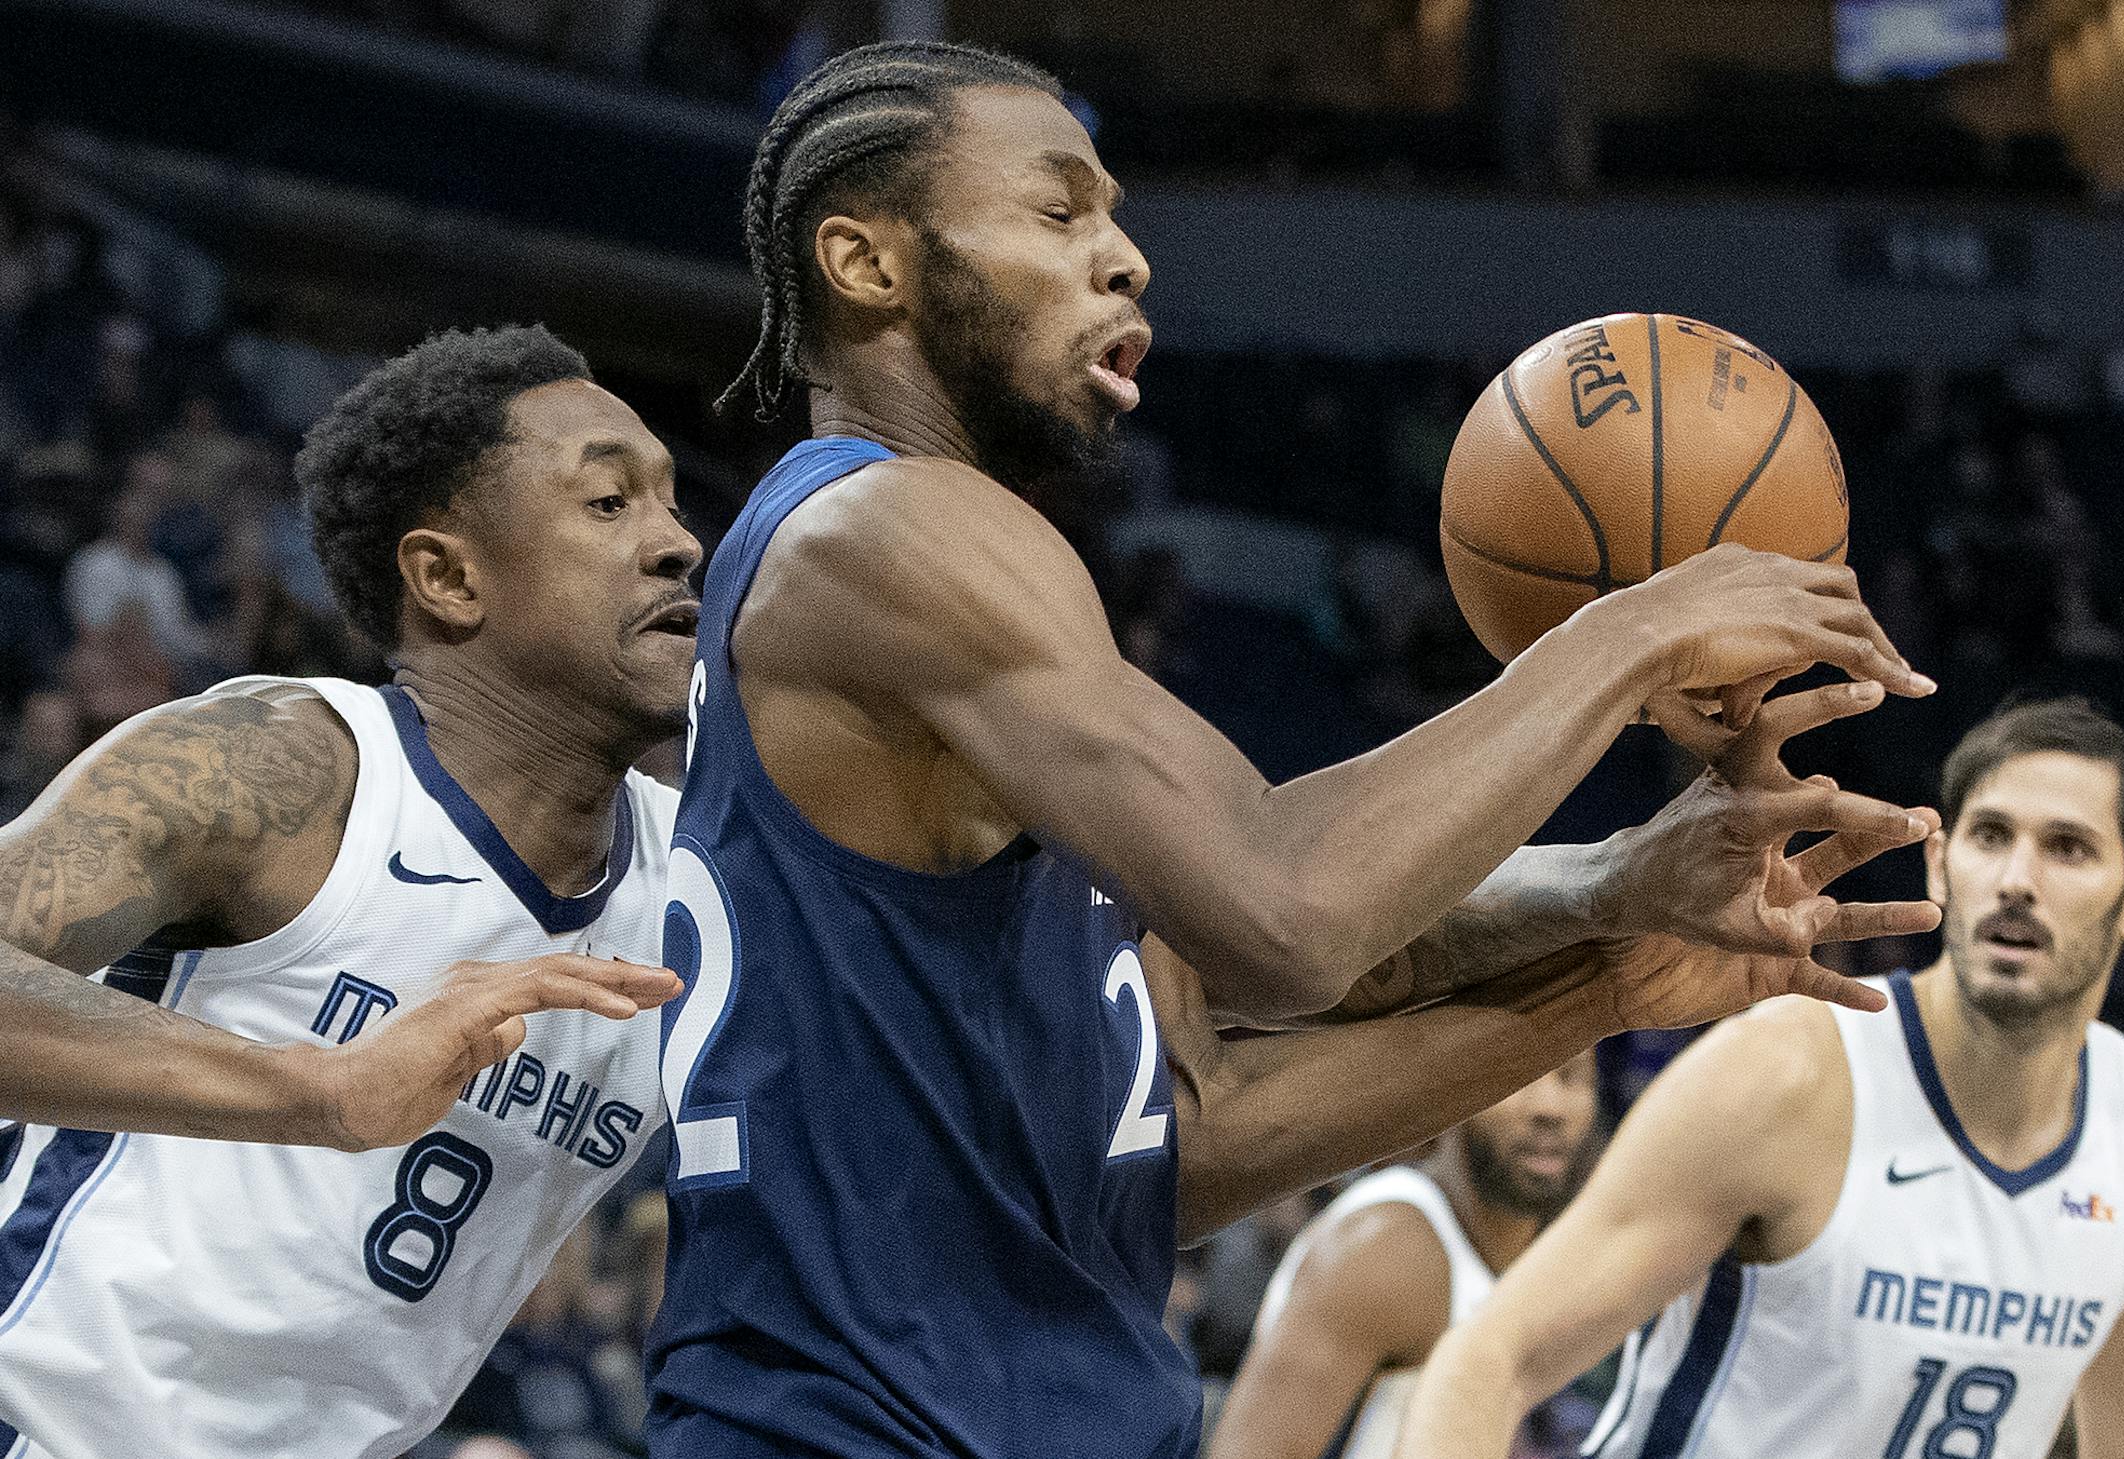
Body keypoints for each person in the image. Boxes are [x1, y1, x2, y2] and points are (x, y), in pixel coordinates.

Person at [647, 39, 1940, 1459]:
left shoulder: (951, 600)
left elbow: (1182, 1131)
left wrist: (1614, 933)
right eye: (1060, 210)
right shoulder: (882, 534)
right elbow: (1292, 916)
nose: (1126, 258)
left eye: (1119, 215)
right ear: (865, 260)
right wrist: (1632, 630)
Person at [0, 325, 691, 1458]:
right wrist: (322, 1090)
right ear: (450, 576)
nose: (677, 543)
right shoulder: (286, 770)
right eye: (610, 503)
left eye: (670, 502)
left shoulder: (697, 889)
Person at [1395, 697, 2124, 1459]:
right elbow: (1489, 1359)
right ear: (1939, 866)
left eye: (2068, 848)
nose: (2017, 878)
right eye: (1990, 836)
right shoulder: (1787, 1075)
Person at [1210, 1052, 1601, 1459]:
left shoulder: (1554, 1246)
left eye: (1572, 1077)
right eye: (1523, 1076)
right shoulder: (1382, 1251)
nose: (1549, 1107)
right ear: (1456, 1094)